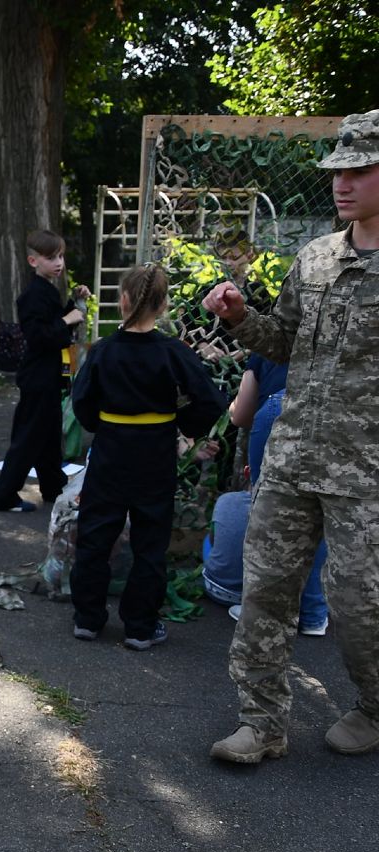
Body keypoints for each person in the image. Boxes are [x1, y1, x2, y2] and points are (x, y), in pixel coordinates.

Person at [203, 109, 379, 762]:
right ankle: (262, 724)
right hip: (294, 459)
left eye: (360, 171)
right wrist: (241, 316)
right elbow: (283, 340)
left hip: (367, 472)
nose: (343, 183)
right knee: (265, 594)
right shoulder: (316, 259)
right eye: (339, 171)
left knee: (361, 604)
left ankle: (374, 707)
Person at [68, 264, 225, 651]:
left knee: (95, 535)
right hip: (154, 452)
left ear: (122, 300)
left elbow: (81, 402)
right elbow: (211, 401)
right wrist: (181, 423)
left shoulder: (103, 351)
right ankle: (140, 625)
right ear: (164, 304)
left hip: (109, 453)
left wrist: (101, 426)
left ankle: (88, 618)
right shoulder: (173, 352)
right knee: (150, 541)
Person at [201, 355, 328, 634]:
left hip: (278, 406)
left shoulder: (273, 339)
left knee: (266, 512)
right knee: (322, 512)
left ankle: (262, 612)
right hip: (336, 413)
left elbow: (241, 415)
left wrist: (234, 404)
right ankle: (313, 614)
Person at [0, 229, 88, 513]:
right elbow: (40, 336)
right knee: (30, 438)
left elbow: (53, 325)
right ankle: (4, 495)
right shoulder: (33, 295)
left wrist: (72, 302)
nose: (59, 262)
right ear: (34, 261)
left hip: (46, 376)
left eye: (60, 256)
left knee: (46, 436)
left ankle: (52, 487)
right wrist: (68, 318)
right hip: (38, 377)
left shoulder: (47, 291)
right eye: (51, 257)